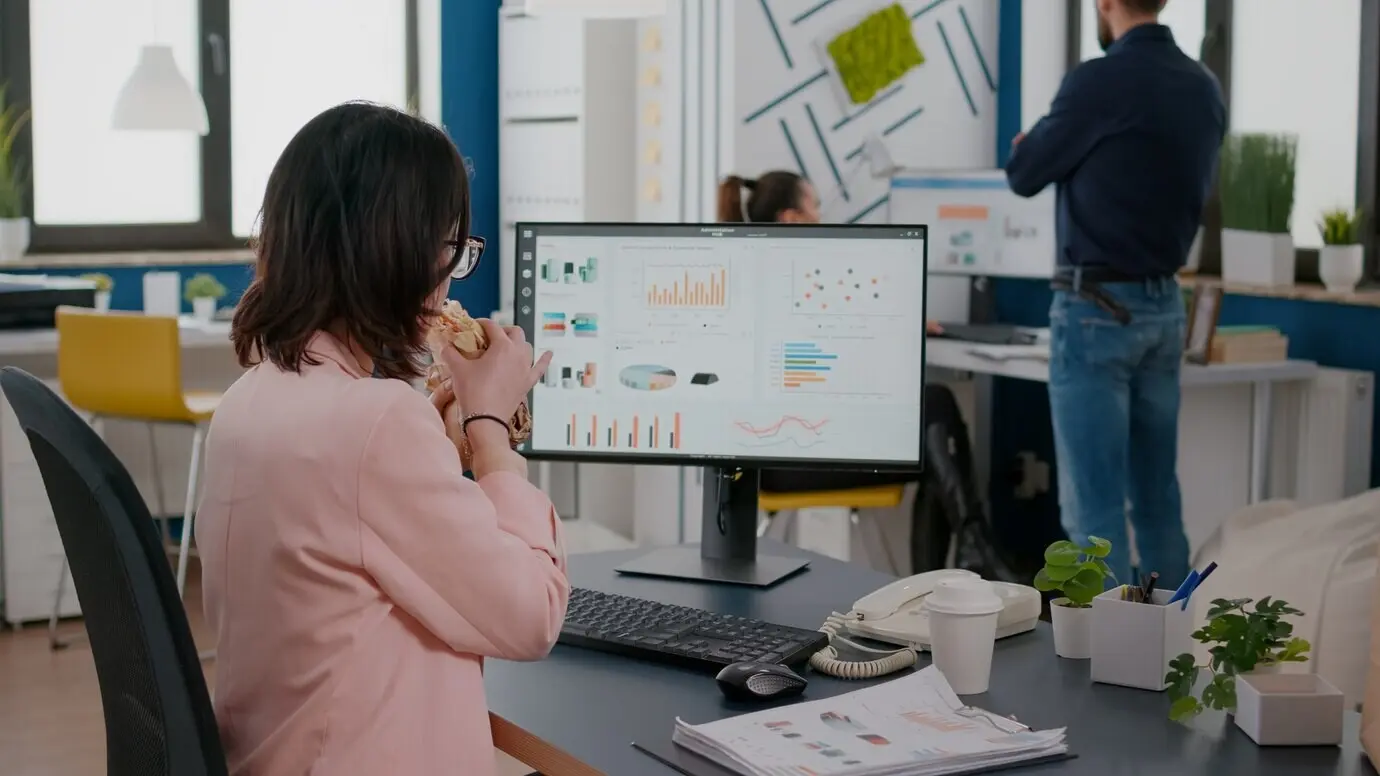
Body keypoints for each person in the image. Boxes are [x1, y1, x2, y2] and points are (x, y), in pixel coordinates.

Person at [196, 102, 567, 776]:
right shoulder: (377, 424)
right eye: (448, 248)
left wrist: (442, 449)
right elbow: (531, 616)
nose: (452, 275)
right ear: (395, 253)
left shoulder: (250, 398)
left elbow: (352, 535)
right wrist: (490, 436)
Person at [1004, 0, 1225, 588]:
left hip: (1095, 310)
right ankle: (1170, 657)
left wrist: (1038, 143)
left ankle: (1103, 673)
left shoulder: (1097, 81)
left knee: (1092, 513)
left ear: (1104, 4)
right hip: (1163, 310)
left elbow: (1024, 171)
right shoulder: (1203, 87)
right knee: (1157, 501)